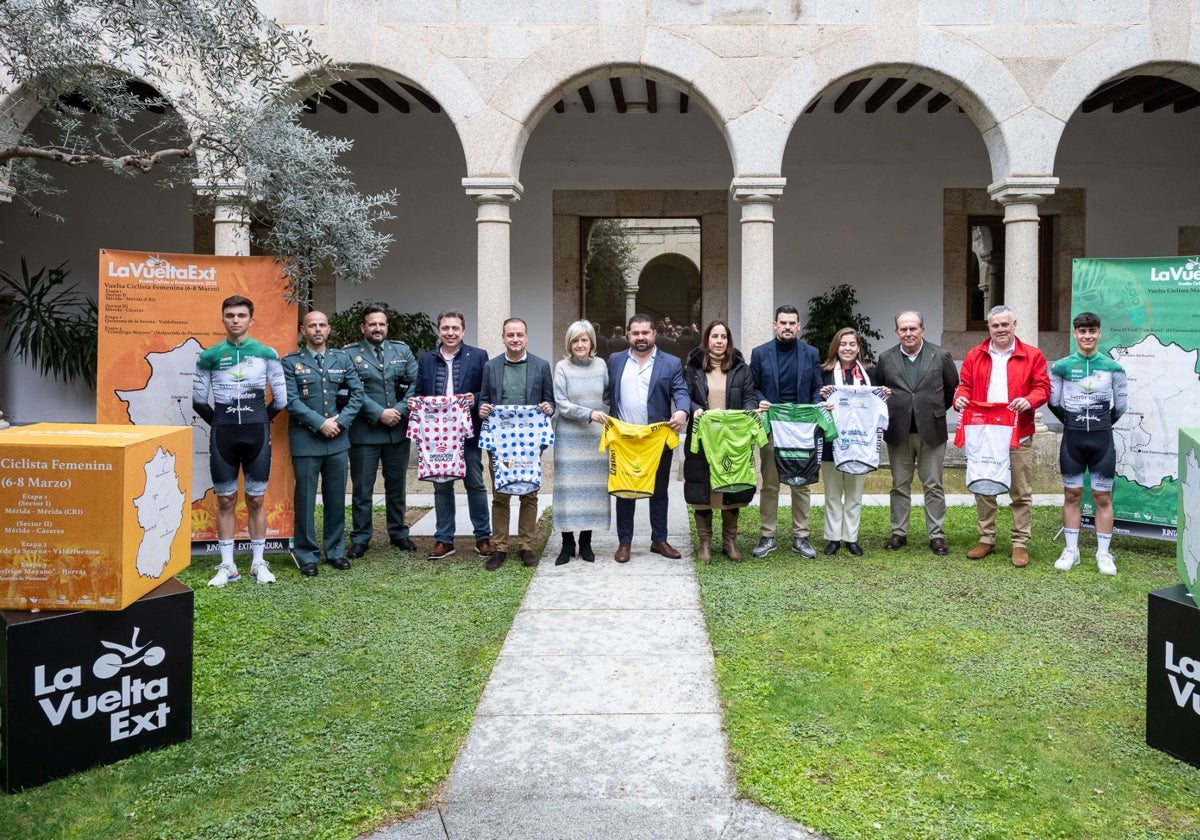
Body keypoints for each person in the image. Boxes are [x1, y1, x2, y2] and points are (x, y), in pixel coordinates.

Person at [192, 294, 287, 587]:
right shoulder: (208, 356)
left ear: (251, 320)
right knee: (225, 499)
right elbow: (198, 400)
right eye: (230, 315)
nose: (235, 320)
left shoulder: (266, 353)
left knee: (256, 499)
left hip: (257, 433)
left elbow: (281, 400)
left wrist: (260, 420)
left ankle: (259, 563)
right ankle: (227, 566)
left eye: (241, 315)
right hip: (224, 435)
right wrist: (221, 423)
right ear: (223, 319)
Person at [953, 305, 1050, 568]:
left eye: (1005, 324)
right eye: (995, 325)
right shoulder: (975, 355)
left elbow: (1043, 387)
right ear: (989, 327)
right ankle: (986, 538)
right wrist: (960, 398)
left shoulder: (1032, 355)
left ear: (1014, 324)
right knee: (984, 485)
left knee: (1020, 489)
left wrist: (1028, 401)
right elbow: (964, 385)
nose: (1001, 330)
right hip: (984, 432)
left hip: (1018, 431)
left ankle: (1020, 542)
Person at [283, 310, 364, 576]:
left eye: (322, 325)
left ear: (329, 330)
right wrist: (320, 423)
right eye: (312, 326)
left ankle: (335, 550)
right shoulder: (291, 362)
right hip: (306, 440)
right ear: (302, 330)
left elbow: (357, 394)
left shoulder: (342, 358)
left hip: (338, 440)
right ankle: (307, 554)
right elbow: (291, 401)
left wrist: (339, 423)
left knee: (336, 497)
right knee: (305, 499)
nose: (317, 329)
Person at [1048, 312, 1128, 576]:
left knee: (1102, 497)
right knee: (1072, 495)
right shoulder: (1061, 367)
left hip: (1101, 439)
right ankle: (1072, 550)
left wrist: (1101, 424)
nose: (1087, 336)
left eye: (1092, 331)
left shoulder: (1113, 368)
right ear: (1075, 334)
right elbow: (1054, 402)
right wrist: (1074, 423)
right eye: (1082, 332)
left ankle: (1103, 553)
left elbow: (1122, 406)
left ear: (1099, 333)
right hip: (1073, 438)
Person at [873, 310, 960, 555]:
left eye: (913, 328)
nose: (908, 333)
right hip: (898, 431)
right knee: (899, 484)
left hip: (931, 431)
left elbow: (952, 390)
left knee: (933, 484)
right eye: (903, 329)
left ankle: (937, 535)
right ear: (897, 332)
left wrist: (930, 411)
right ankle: (899, 532)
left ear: (922, 329)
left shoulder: (940, 355)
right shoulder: (886, 358)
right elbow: (880, 391)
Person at [605, 313, 690, 562]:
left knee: (660, 491)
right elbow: (606, 392)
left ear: (654, 334)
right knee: (625, 492)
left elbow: (681, 391)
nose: (640, 337)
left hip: (656, 440)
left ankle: (659, 540)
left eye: (645, 332)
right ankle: (624, 543)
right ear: (628, 335)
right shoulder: (615, 360)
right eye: (635, 333)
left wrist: (683, 410)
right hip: (624, 440)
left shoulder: (671, 363)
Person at [411, 309, 491, 560]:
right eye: (445, 328)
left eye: (455, 328)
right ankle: (444, 539)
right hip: (436, 436)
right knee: (442, 485)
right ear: (439, 330)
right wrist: (415, 403)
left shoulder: (478, 356)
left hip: (467, 433)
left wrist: (475, 398)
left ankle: (483, 537)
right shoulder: (426, 359)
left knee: (475, 483)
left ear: (463, 330)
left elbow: (487, 391)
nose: (450, 332)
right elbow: (419, 390)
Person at [478, 317, 555, 571]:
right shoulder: (491, 366)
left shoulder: (541, 366)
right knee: (500, 495)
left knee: (529, 494)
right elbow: (484, 400)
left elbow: (550, 402)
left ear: (526, 337)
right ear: (503, 338)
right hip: (500, 444)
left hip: (530, 444)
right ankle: (499, 547)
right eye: (510, 335)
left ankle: (526, 545)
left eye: (519, 334)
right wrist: (482, 408)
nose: (515, 339)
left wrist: (547, 407)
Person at [748, 305, 824, 559]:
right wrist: (760, 401)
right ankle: (767, 535)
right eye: (783, 323)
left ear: (799, 326)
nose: (787, 327)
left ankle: (801, 537)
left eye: (792, 323)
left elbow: (816, 387)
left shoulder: (811, 353)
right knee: (770, 483)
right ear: (775, 325)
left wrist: (815, 407)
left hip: (801, 428)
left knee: (801, 483)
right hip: (772, 426)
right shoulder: (760, 354)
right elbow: (753, 387)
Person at [344, 304, 420, 559]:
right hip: (364, 432)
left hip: (397, 430)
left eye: (382, 324)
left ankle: (398, 533)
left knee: (396, 487)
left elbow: (415, 384)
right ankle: (361, 538)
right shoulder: (349, 354)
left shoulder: (402, 350)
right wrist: (379, 413)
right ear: (363, 327)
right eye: (372, 324)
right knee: (362, 489)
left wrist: (398, 410)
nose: (378, 328)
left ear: (387, 326)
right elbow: (352, 389)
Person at [683, 320, 759, 563]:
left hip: (731, 439)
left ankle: (729, 542)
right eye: (714, 336)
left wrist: (750, 412)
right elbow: (684, 395)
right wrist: (694, 409)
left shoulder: (741, 368)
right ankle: (704, 543)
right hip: (703, 436)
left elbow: (749, 398)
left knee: (732, 485)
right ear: (706, 340)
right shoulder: (693, 368)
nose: (719, 341)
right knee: (701, 487)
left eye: (723, 337)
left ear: (729, 341)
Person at [818, 328, 888, 557]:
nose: (847, 348)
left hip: (860, 443)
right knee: (832, 492)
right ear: (835, 348)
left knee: (855, 492)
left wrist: (883, 394)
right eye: (843, 344)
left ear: (859, 348)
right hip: (832, 441)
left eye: (852, 344)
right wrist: (821, 395)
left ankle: (851, 537)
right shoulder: (824, 374)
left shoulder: (871, 374)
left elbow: (878, 402)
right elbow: (815, 403)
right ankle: (833, 538)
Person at [551, 320, 611, 565]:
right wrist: (588, 413)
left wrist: (605, 414)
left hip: (596, 437)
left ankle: (586, 542)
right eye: (575, 340)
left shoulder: (601, 365)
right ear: (569, 343)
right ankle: (567, 544)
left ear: (591, 342)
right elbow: (561, 402)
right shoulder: (562, 367)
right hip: (568, 438)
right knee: (568, 490)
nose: (579, 344)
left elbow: (608, 395)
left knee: (593, 491)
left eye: (584, 340)